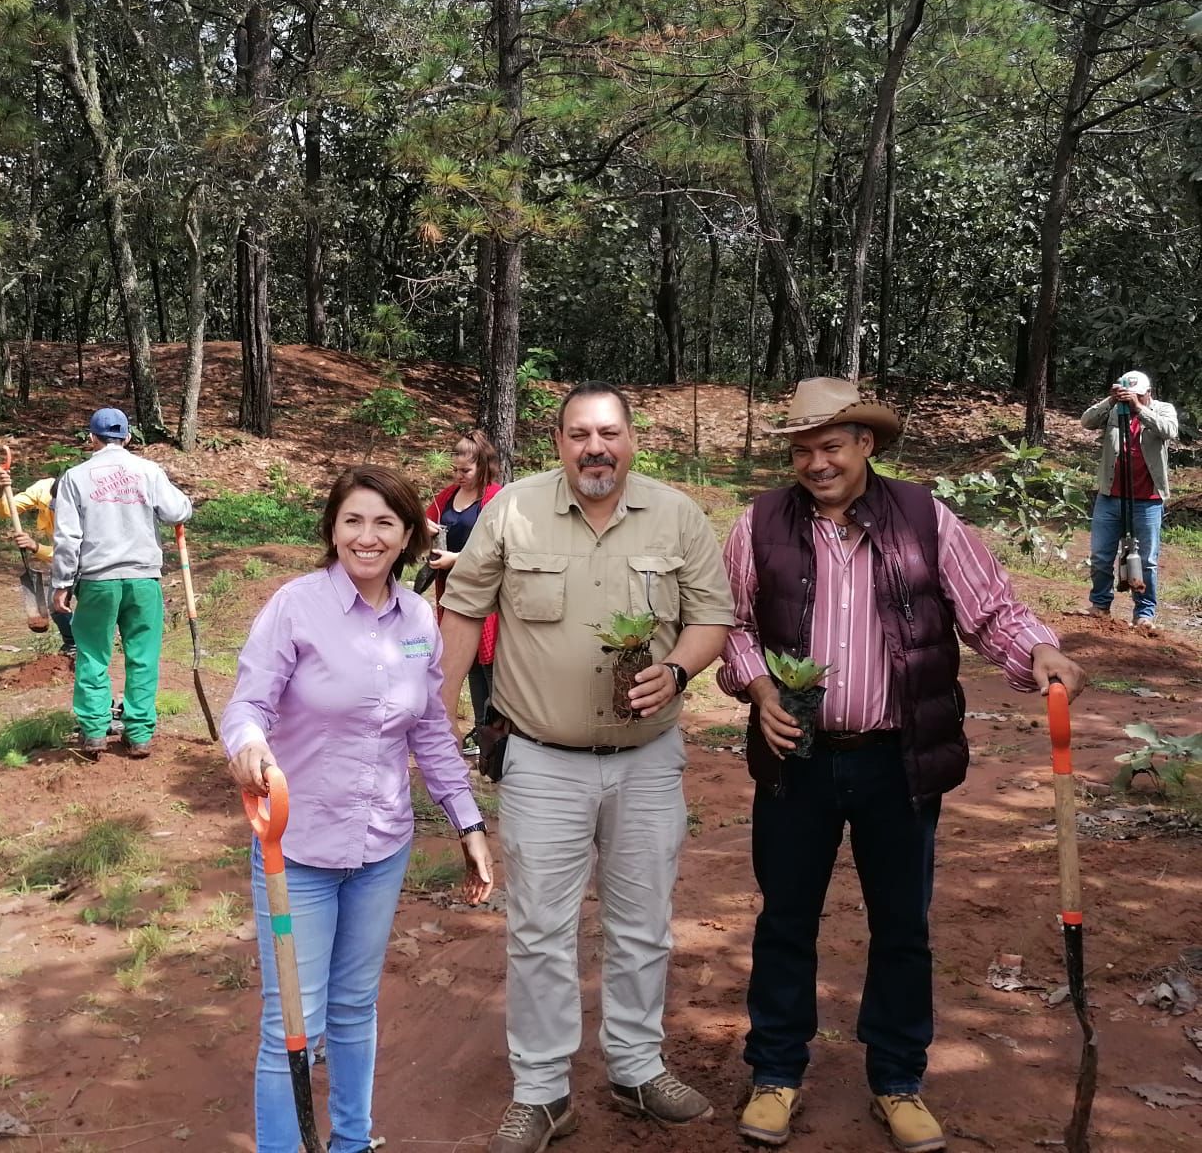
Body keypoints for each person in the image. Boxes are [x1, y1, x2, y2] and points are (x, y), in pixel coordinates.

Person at [718, 377, 1087, 1152]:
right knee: (785, 920)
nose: (816, 463)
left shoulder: (924, 518)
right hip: (798, 759)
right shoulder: (757, 524)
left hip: (899, 761)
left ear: (866, 445)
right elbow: (731, 623)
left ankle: (898, 1079)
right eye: (802, 449)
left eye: (831, 446)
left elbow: (990, 609)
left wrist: (1039, 652)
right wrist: (756, 686)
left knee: (902, 927)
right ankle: (777, 1072)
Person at [438, 382, 735, 1153]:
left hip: (647, 759)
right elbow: (465, 606)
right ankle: (542, 1093)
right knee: (539, 931)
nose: (593, 447)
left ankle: (637, 1067)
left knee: (642, 925)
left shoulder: (676, 515)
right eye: (578, 434)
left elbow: (712, 617)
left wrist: (675, 671)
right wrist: (438, 706)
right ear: (557, 442)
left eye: (608, 433)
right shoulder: (514, 511)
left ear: (632, 440)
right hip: (541, 761)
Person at [223, 463, 494, 1153]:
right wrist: (249, 745)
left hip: (381, 847)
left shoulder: (417, 622)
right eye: (352, 521)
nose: (366, 537)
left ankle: (351, 1142)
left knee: (353, 1008)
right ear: (332, 529)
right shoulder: (296, 605)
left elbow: (430, 727)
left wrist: (467, 820)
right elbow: (249, 703)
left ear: (408, 536)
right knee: (294, 1019)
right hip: (298, 846)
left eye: (384, 523)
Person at [49, 408, 193, 759]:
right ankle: (139, 734)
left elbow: (67, 537)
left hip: (98, 580)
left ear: (92, 439)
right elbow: (177, 511)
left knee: (92, 654)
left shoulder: (75, 477)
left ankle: (95, 731)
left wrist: (62, 583)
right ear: (127, 437)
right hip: (143, 579)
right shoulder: (149, 470)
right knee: (143, 656)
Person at [1077, 369, 1177, 635]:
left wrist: (1139, 408)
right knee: (1100, 555)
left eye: (1139, 396)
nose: (1132, 400)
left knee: (1146, 561)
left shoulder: (1162, 409)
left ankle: (1144, 614)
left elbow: (1169, 430)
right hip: (1110, 496)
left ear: (1148, 394)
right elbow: (1086, 421)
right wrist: (1110, 401)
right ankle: (1100, 605)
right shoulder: (1113, 410)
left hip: (1148, 499)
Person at [425, 427, 502, 754]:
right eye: (454, 470)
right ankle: (481, 729)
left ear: (482, 466)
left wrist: (457, 559)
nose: (458, 476)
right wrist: (425, 530)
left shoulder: (496, 497)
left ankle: (497, 727)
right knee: (464, 660)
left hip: (487, 593)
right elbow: (424, 523)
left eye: (465, 471)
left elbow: (500, 546)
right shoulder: (445, 498)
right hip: (451, 590)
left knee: (491, 661)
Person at [0, 467, 77, 661]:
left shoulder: (88, 507)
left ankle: (98, 644)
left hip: (91, 559)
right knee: (55, 605)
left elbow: (77, 552)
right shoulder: (43, 489)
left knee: (93, 603)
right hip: (62, 556)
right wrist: (0, 489)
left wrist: (36, 546)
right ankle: (72, 644)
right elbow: (5, 511)